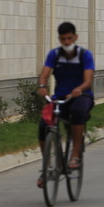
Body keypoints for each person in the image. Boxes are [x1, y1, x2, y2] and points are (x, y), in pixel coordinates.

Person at [37, 22, 95, 186]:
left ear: (75, 37)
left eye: (69, 38)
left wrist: (79, 89)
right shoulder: (54, 55)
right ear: (60, 39)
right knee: (44, 124)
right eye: (63, 39)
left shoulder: (84, 55)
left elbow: (88, 80)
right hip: (60, 97)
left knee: (77, 112)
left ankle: (75, 155)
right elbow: (44, 74)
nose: (67, 42)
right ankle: (47, 167)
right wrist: (42, 86)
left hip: (81, 95)